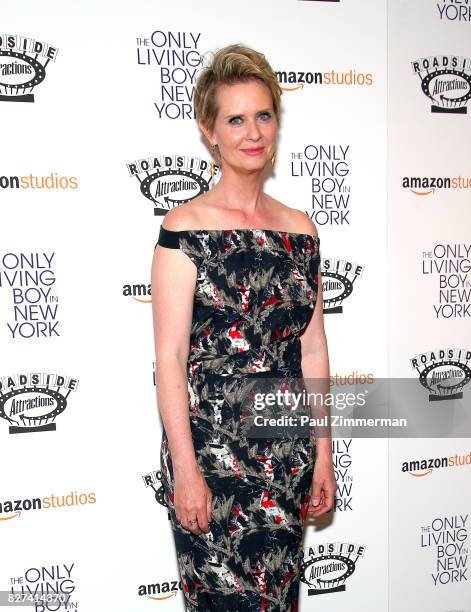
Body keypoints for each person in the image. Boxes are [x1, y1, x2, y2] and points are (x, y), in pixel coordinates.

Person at [151, 43, 336, 611]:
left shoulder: (299, 231)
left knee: (277, 603)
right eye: (235, 119)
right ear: (210, 131)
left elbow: (312, 351)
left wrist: (323, 453)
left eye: (263, 115)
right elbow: (170, 359)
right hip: (211, 457)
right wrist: (185, 467)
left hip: (285, 456)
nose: (252, 132)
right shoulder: (184, 229)